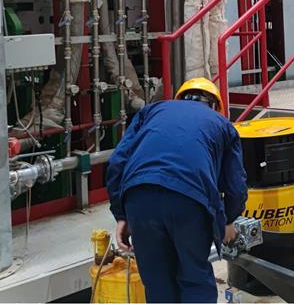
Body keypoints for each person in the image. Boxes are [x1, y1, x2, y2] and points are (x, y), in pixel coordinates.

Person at [106, 77, 247, 302]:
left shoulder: (151, 111)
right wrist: (228, 219)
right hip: (189, 200)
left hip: (139, 197)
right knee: (194, 279)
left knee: (157, 281)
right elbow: (236, 185)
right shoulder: (222, 124)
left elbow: (116, 163)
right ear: (215, 106)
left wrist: (121, 214)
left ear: (179, 98)